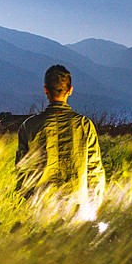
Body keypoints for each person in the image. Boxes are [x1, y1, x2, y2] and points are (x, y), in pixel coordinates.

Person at [16, 65, 105, 218]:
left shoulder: (29, 126)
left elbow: (22, 173)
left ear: (45, 90)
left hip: (41, 212)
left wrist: (29, 205)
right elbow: (94, 171)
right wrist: (94, 204)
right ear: (70, 90)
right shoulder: (85, 125)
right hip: (78, 211)